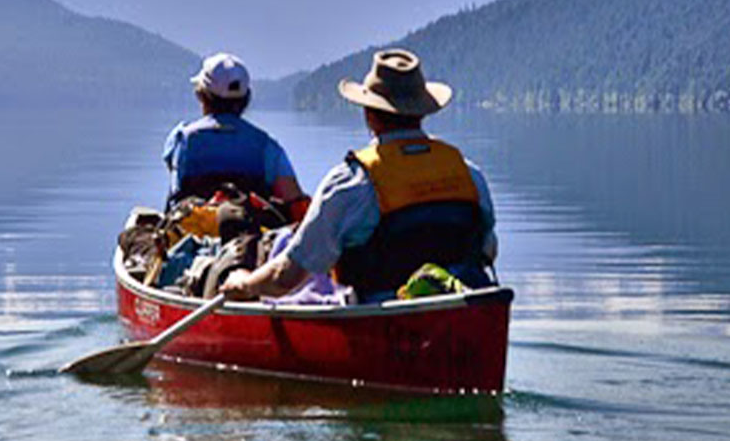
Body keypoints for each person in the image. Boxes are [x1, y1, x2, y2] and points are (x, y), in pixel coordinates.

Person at [221, 49, 496, 301]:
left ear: (369, 114)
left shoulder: (352, 183)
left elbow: (286, 278)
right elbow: (487, 251)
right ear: (422, 111)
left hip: (380, 316)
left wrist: (245, 283)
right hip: (461, 311)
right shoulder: (468, 173)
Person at [163, 52, 306, 212]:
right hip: (248, 230)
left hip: (191, 228)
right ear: (246, 99)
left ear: (202, 96)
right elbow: (292, 200)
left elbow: (175, 180)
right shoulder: (267, 146)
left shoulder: (182, 139)